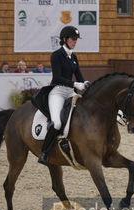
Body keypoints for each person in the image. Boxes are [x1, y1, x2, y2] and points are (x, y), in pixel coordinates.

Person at [37, 26, 89, 165]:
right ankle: (44, 152)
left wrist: (85, 84)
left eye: (76, 39)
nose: (75, 41)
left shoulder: (73, 56)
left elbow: (79, 75)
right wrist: (76, 85)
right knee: (57, 123)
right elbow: (58, 77)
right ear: (65, 39)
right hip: (58, 91)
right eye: (73, 39)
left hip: (71, 92)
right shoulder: (56, 55)